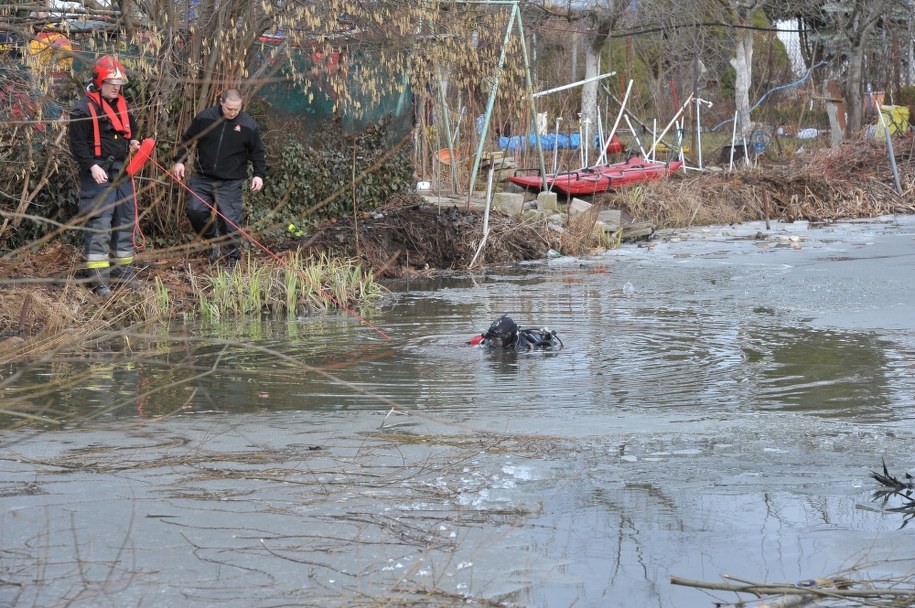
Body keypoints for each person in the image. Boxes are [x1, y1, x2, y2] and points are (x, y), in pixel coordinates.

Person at [67, 55, 141, 296]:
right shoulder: (82, 109)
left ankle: (123, 269)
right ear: (99, 81)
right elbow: (77, 144)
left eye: (119, 84)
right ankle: (99, 279)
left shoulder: (122, 103)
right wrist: (91, 166)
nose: (117, 88)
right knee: (100, 223)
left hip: (121, 171)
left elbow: (130, 128)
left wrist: (133, 142)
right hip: (97, 172)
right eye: (112, 83)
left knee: (125, 218)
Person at [172, 89, 266, 268]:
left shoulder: (248, 125)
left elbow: (258, 152)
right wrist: (179, 161)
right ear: (221, 102)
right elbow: (187, 139)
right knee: (195, 211)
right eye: (229, 108)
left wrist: (259, 175)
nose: (232, 113)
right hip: (203, 177)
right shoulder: (205, 118)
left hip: (230, 181)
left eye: (236, 109)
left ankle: (232, 258)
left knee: (230, 221)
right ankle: (213, 239)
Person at [468, 314, 563, 350]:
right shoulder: (487, 343)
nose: (492, 343)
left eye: (496, 340)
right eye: (490, 338)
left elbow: (552, 345)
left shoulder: (525, 345)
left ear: (508, 337)